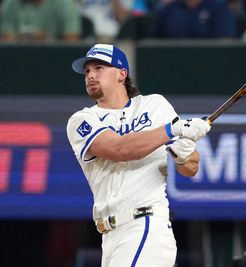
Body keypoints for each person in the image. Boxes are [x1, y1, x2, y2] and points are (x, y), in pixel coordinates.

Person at [66, 43, 211, 266]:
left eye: (99, 68)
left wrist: (185, 155)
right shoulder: (82, 120)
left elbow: (191, 168)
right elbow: (119, 149)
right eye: (87, 71)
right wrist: (172, 129)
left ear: (121, 74)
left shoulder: (154, 105)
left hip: (146, 225)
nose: (90, 75)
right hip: (110, 236)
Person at [0, 0, 81, 42]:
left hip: (55, 58)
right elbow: (6, 40)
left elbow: (72, 40)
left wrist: (47, 41)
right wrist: (23, 38)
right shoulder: (11, 4)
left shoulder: (65, 3)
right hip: (16, 57)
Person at [154, 0, 236, 39]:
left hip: (210, 64)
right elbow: (155, 41)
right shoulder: (169, 9)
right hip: (172, 63)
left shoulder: (219, 8)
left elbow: (225, 42)